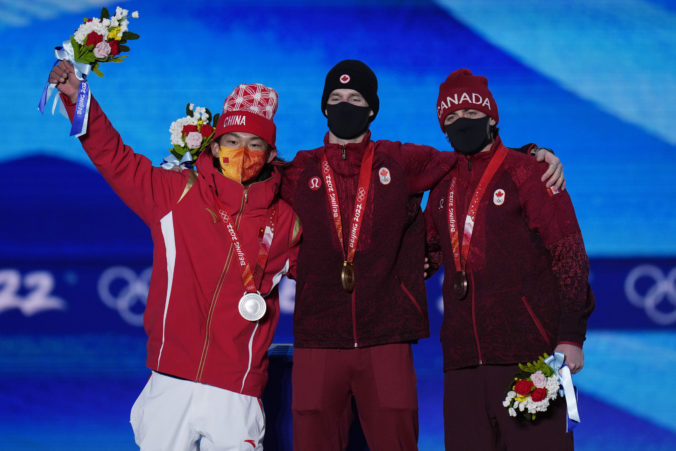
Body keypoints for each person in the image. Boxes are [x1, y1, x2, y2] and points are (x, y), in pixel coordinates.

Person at [280, 60, 565, 450]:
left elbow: (474, 160)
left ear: (373, 110)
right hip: (318, 337)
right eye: (336, 98)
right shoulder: (298, 170)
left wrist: (532, 153)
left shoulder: (401, 161)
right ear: (324, 108)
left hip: (389, 337)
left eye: (356, 98)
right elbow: (248, 178)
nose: (345, 105)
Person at [48, 61, 302, 450]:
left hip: (237, 388)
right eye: (232, 141)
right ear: (215, 147)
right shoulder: (176, 193)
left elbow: (329, 273)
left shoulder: (286, 221)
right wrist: (77, 97)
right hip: (170, 378)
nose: (243, 152)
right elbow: (113, 158)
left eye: (255, 144)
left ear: (270, 154)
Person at [424, 68, 595, 450]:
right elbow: (426, 254)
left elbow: (569, 254)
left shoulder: (530, 172)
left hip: (530, 360)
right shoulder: (442, 185)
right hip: (463, 365)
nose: (461, 123)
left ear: (492, 117)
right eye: (450, 119)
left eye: (469, 114)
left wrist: (571, 336)